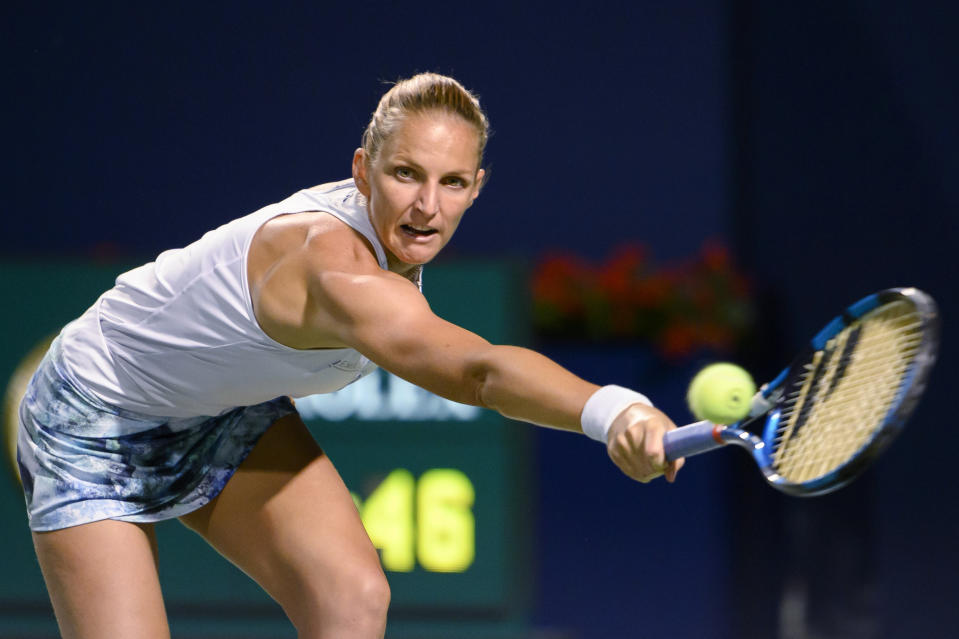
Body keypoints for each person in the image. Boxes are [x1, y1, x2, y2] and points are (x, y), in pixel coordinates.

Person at [17, 72, 684, 639]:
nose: (427, 206)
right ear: (362, 169)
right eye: (405, 174)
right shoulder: (336, 270)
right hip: (93, 419)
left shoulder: (396, 242)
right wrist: (612, 408)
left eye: (452, 183)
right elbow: (478, 370)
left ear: (477, 187)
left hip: (215, 411)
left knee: (352, 596)